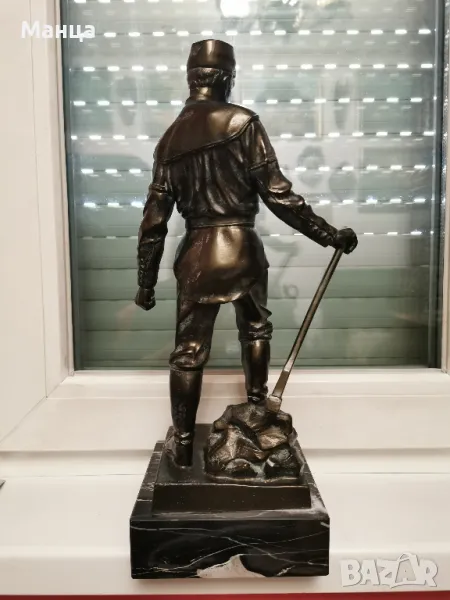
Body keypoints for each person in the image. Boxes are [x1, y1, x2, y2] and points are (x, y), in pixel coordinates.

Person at [135, 39, 358, 466]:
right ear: (226, 77)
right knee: (255, 331)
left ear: (191, 78)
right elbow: (278, 196)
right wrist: (328, 235)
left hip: (196, 256)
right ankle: (259, 411)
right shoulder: (243, 122)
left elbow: (153, 223)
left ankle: (182, 446)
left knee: (187, 353)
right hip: (243, 251)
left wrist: (146, 284)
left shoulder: (168, 141)